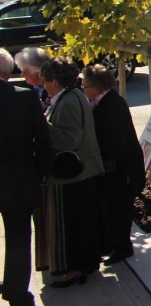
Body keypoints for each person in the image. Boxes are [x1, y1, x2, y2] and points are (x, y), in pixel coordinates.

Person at [39, 57, 105, 287]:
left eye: (46, 81)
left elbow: (70, 140)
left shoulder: (68, 102)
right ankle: (86, 264)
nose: (44, 85)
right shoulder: (74, 95)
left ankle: (74, 269)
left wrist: (42, 124)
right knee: (83, 222)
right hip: (82, 172)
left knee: (71, 226)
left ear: (55, 82)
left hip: (73, 175)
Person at [0, 48, 52, 306]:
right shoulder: (24, 98)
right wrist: (42, 174)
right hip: (17, 180)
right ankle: (17, 297)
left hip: (15, 179)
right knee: (18, 238)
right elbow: (42, 140)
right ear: (8, 73)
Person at [81, 65, 145, 264]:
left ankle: (122, 248)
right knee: (112, 209)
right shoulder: (102, 101)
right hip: (114, 169)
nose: (83, 90)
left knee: (119, 210)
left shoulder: (112, 105)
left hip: (121, 170)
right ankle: (114, 245)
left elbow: (115, 141)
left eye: (85, 86)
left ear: (96, 87)